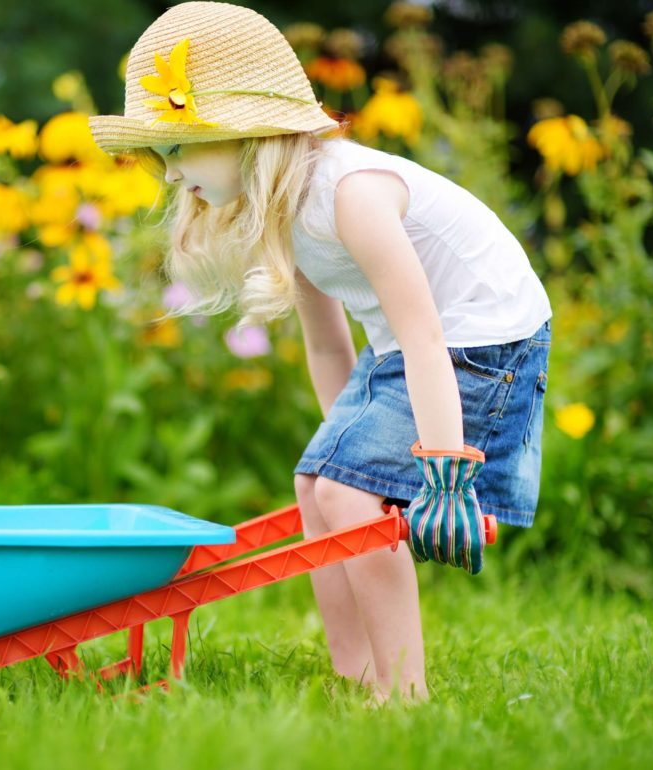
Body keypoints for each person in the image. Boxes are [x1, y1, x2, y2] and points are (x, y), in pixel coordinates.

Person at [89, 1, 552, 703]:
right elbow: (329, 345)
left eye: (179, 147)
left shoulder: (351, 193)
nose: (168, 169)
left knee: (346, 489)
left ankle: (403, 695)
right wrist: (350, 448)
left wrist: (445, 472)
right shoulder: (282, 211)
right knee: (319, 482)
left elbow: (424, 331)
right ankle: (354, 675)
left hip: (486, 344)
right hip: (413, 348)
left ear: (250, 134)